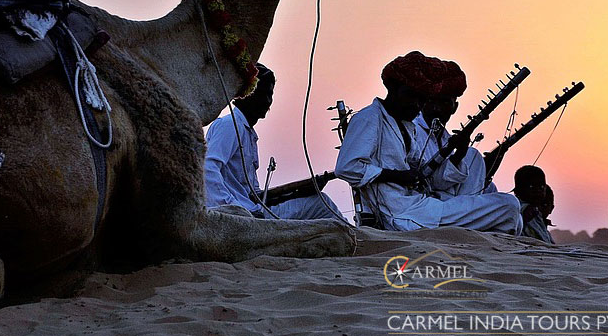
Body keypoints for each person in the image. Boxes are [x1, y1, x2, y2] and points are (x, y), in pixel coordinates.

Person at [335, 51, 522, 233]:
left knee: (505, 204)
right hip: (403, 214)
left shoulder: (407, 126)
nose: (417, 105)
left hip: (423, 207)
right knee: (509, 206)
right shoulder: (370, 118)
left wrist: (459, 154)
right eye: (411, 96)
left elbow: (430, 178)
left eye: (421, 99)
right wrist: (396, 176)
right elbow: (347, 167)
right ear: (393, 89)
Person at [203, 64, 342, 219]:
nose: (268, 101)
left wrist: (295, 193)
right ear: (246, 93)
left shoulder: (248, 134)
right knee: (321, 205)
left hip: (253, 210)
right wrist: (233, 209)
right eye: (263, 94)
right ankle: (361, 241)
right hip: (243, 215)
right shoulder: (230, 125)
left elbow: (253, 194)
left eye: (271, 95)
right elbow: (207, 168)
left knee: (318, 200)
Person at [412, 59, 499, 198]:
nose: (437, 108)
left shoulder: (446, 138)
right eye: (431, 101)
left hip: (451, 206)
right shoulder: (411, 132)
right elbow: (427, 182)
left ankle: (467, 213)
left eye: (445, 102)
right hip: (424, 206)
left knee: (473, 156)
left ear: (454, 107)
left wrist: (460, 154)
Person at [513, 165, 554, 243]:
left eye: (541, 187)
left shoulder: (535, 210)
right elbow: (540, 239)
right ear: (517, 191)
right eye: (532, 187)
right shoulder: (526, 209)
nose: (538, 190)